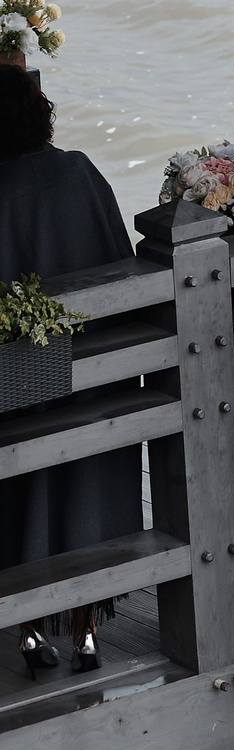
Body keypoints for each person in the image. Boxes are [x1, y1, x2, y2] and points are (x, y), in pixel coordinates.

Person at [0, 66, 140, 676]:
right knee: (88, 483)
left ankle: (30, 632)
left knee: (17, 495)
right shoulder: (79, 172)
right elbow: (121, 262)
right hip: (93, 370)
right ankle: (86, 631)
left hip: (17, 383)